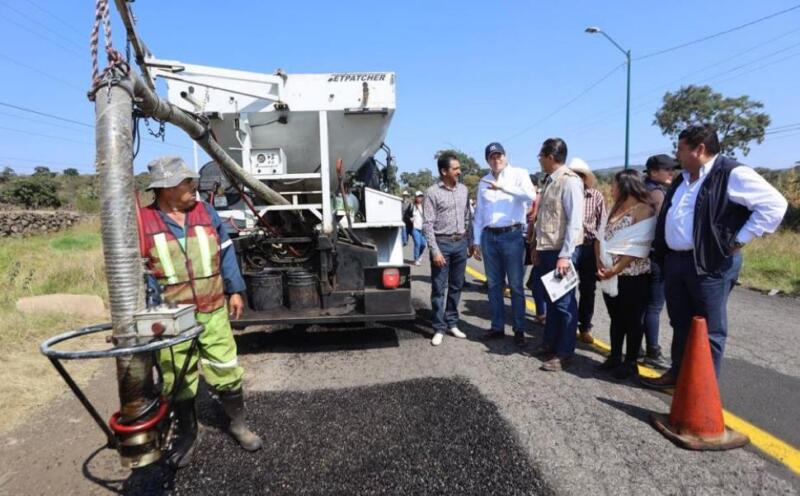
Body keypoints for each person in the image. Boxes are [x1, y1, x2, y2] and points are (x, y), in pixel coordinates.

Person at [643, 125, 788, 390]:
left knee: (708, 329)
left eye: (681, 148)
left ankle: (700, 392)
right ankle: (678, 374)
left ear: (699, 150)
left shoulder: (732, 173)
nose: (677, 155)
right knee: (681, 322)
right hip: (677, 262)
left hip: (710, 264)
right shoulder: (683, 178)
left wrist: (739, 240)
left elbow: (775, 205)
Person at [140, 156, 263, 468]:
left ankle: (237, 424)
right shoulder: (144, 222)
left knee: (226, 365)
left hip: (212, 307)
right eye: (186, 183)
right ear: (165, 188)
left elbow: (226, 253)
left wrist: (235, 290)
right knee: (176, 375)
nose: (194, 187)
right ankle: (188, 434)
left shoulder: (206, 212)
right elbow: (138, 272)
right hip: (172, 316)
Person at [472, 142, 536, 347]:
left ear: (506, 156)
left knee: (516, 286)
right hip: (489, 237)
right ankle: (497, 326)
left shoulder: (519, 173)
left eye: (499, 155)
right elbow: (479, 213)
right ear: (487, 160)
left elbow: (531, 196)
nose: (496, 159)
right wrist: (476, 241)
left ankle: (519, 329)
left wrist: (504, 188)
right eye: (492, 157)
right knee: (493, 285)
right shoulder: (483, 181)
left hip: (512, 235)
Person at [595, 170, 656, 381]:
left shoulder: (644, 210)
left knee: (632, 320)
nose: (611, 189)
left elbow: (637, 246)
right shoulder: (615, 209)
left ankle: (630, 363)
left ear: (626, 186)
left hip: (632, 276)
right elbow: (601, 238)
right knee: (616, 319)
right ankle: (614, 356)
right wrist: (601, 265)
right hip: (610, 275)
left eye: (614, 185)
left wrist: (616, 268)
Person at [532, 138, 584, 372]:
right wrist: (536, 247)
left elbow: (574, 223)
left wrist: (565, 255)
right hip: (547, 249)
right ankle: (551, 343)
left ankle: (565, 352)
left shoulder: (569, 182)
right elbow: (543, 219)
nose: (540, 160)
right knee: (552, 301)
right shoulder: (550, 182)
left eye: (541, 156)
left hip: (561, 252)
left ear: (550, 156)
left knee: (563, 303)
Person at [423, 153, 472, 346]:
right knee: (438, 288)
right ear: (444, 171)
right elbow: (427, 225)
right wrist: (435, 251)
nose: (459, 171)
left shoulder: (464, 190)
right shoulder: (432, 192)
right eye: (455, 169)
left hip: (460, 243)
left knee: (456, 286)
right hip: (442, 244)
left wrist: (469, 242)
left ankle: (452, 322)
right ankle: (439, 327)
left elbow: (468, 217)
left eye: (459, 168)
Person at [640, 154, 679, 368]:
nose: (671, 173)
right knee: (653, 307)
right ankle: (653, 351)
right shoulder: (657, 194)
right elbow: (664, 226)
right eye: (668, 170)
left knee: (642, 305)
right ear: (654, 172)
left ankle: (637, 348)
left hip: (640, 256)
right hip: (656, 256)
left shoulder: (640, 191)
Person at [568, 158, 606, 345]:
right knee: (567, 286)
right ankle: (568, 324)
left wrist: (600, 253)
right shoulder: (566, 194)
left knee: (588, 288)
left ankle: (585, 327)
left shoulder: (596, 196)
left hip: (589, 246)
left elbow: (602, 224)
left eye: (579, 175)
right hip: (570, 245)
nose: (577, 178)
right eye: (573, 174)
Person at [525, 179, 548, 326]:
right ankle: (542, 314)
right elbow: (535, 219)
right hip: (539, 245)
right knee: (536, 283)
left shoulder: (540, 196)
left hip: (555, 248)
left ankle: (545, 315)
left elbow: (533, 216)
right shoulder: (543, 196)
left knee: (545, 285)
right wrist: (532, 242)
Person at [410, 191, 427, 265]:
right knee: (417, 243)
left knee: (423, 245)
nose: (420, 198)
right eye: (418, 196)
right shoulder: (412, 206)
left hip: (423, 229)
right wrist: (410, 218)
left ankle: (419, 256)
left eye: (421, 196)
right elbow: (406, 215)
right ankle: (416, 259)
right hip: (415, 228)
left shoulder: (425, 206)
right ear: (415, 198)